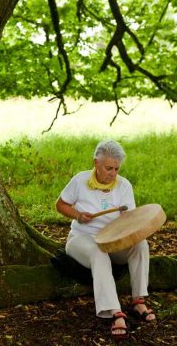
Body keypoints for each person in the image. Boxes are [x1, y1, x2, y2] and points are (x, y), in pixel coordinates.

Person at [56, 140, 155, 340]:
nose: (113, 173)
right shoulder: (80, 180)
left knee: (140, 244)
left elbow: (130, 219)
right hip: (82, 239)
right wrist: (77, 215)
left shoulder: (124, 185)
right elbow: (60, 205)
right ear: (96, 163)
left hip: (113, 241)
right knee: (98, 252)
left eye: (116, 169)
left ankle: (138, 300)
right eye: (108, 168)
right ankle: (113, 311)